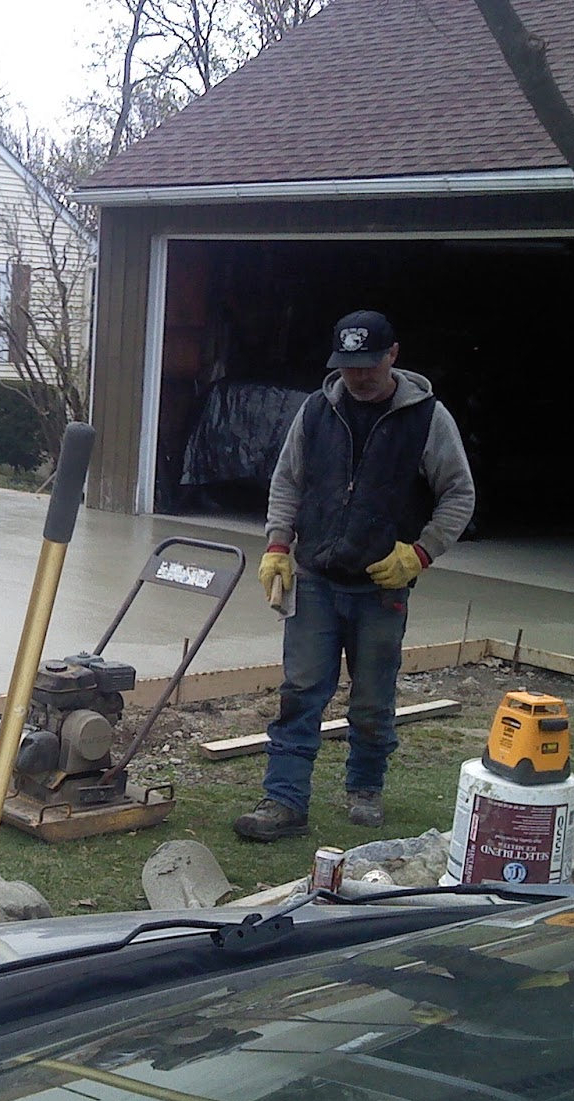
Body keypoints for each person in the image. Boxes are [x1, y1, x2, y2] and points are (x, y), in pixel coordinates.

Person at [234, 310, 476, 842]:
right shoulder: (317, 411)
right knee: (300, 691)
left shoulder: (428, 418)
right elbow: (287, 481)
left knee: (371, 700)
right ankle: (284, 801)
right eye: (348, 366)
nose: (358, 376)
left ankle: (365, 787)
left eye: (368, 365)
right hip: (315, 578)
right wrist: (278, 544)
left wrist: (421, 553)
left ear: (392, 355)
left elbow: (459, 494)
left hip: (381, 588)